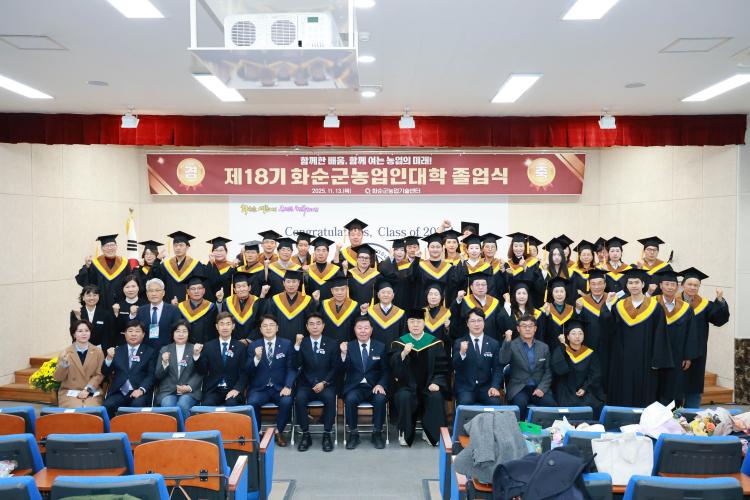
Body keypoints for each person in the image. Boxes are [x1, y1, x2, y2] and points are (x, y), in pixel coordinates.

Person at [601, 268, 673, 407]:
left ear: (643, 284)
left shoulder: (655, 307)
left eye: (637, 282)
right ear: (626, 285)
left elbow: (660, 335)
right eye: (630, 282)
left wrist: (657, 360)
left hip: (645, 359)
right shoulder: (619, 306)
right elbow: (609, 330)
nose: (634, 285)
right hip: (622, 359)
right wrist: (608, 306)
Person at [390, 309, 449, 447]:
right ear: (407, 324)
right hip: (406, 386)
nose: (415, 325)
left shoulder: (435, 343)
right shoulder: (399, 343)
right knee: (403, 396)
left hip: (428, 385)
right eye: (412, 322)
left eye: (418, 322)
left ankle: (431, 434)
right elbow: (393, 369)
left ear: (424, 323)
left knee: (436, 396)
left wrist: (436, 382)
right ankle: (405, 432)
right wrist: (403, 354)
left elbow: (442, 367)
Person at [678, 267, 730, 408]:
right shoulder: (673, 303)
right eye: (689, 284)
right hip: (676, 351)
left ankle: (692, 415)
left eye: (696, 285)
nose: (692, 287)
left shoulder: (705, 305)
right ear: (682, 285)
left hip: (697, 353)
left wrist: (720, 300)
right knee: (675, 386)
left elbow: (719, 320)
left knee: (694, 386)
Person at [246, 315, 297, 447]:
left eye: (271, 325)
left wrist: (288, 386)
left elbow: (292, 368)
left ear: (277, 328)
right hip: (260, 388)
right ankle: (257, 433)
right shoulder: (253, 346)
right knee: (252, 402)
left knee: (287, 401)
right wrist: (256, 358)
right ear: (260, 329)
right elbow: (247, 370)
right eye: (265, 326)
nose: (268, 328)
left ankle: (279, 432)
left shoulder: (286, 344)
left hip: (280, 387)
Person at [293, 312, 339, 452]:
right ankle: (305, 434)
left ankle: (327, 434)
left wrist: (324, 383)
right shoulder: (302, 343)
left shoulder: (332, 343)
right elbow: (296, 365)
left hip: (326, 384)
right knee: (299, 398)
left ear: (323, 326)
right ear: (307, 327)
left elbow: (335, 368)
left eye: (318, 323)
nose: (315, 327)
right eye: (311, 324)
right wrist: (296, 346)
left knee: (330, 398)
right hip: (306, 385)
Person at [340, 316, 389, 450]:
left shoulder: (380, 346)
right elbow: (341, 370)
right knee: (350, 399)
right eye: (359, 328)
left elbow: (386, 371)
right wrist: (343, 355)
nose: (363, 331)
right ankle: (353, 434)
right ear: (354, 330)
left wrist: (381, 384)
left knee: (380, 399)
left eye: (366, 328)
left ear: (371, 329)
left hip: (374, 386)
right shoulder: (349, 346)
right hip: (355, 387)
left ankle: (377, 433)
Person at [654, 268, 699, 406]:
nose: (669, 287)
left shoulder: (685, 308)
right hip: (654, 355)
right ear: (661, 286)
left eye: (672, 284)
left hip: (677, 355)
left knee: (674, 387)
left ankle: (675, 415)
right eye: (666, 284)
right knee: (654, 387)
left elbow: (691, 334)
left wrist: (688, 356)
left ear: (677, 287)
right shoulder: (650, 304)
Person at [500, 314, 557, 420]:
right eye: (524, 326)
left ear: (535, 328)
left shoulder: (544, 347)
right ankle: (518, 429)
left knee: (551, 404)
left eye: (530, 326)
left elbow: (548, 371)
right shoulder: (512, 345)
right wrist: (507, 341)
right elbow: (503, 360)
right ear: (518, 329)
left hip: (538, 387)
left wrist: (541, 388)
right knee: (519, 404)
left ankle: (546, 429)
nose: (527, 329)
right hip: (519, 388)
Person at [102, 320, 158, 418]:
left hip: (139, 392)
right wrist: (109, 358)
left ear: (143, 334)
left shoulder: (150, 352)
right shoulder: (117, 350)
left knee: (137, 405)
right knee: (107, 405)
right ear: (125, 333)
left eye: (137, 331)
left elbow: (151, 375)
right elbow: (105, 372)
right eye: (130, 331)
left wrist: (141, 390)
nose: (133, 334)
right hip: (119, 392)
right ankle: (112, 428)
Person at [551, 319, 604, 417]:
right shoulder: (562, 350)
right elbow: (559, 370)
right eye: (573, 333)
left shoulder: (590, 353)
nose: (577, 336)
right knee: (566, 406)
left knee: (595, 406)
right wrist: (563, 345)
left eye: (580, 333)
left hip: (585, 390)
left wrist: (585, 388)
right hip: (566, 391)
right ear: (567, 337)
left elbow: (595, 374)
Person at [194, 312, 248, 406]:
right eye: (222, 324)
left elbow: (244, 372)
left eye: (228, 324)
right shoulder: (208, 346)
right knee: (207, 404)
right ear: (217, 326)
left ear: (233, 326)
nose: (225, 327)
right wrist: (196, 356)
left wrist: (237, 389)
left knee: (231, 404)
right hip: (213, 389)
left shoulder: (240, 347)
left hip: (233, 389)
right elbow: (202, 370)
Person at [452, 308, 503, 406]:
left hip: (486, 388)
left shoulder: (494, 343)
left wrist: (494, 386)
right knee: (465, 404)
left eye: (479, 320)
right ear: (467, 324)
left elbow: (497, 368)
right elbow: (455, 367)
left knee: (495, 403)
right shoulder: (459, 342)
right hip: (466, 388)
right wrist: (462, 353)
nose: (476, 324)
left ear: (484, 322)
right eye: (472, 321)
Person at [154, 320, 203, 417]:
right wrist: (165, 363)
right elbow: (158, 375)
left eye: (184, 331)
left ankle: (184, 427)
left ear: (189, 334)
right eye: (177, 331)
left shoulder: (195, 349)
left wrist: (189, 387)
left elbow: (200, 372)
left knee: (183, 404)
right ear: (173, 334)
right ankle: (173, 428)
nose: (181, 334)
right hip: (168, 391)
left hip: (190, 392)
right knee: (168, 405)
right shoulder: (165, 350)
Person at [53, 320, 105, 408]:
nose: (84, 334)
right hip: (70, 392)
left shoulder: (98, 352)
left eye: (87, 330)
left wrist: (87, 389)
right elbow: (58, 378)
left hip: (91, 390)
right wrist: (64, 364)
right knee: (75, 410)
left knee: (92, 410)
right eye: (80, 331)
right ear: (74, 334)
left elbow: (99, 374)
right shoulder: (66, 353)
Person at [573, 269, 609, 391]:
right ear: (589, 285)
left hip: (608, 345)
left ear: (605, 284)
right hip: (589, 344)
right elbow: (576, 324)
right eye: (593, 284)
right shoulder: (582, 302)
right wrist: (578, 310)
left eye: (600, 283)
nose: (597, 287)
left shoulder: (612, 300)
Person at [76, 234, 131, 309]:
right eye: (106, 246)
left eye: (112, 245)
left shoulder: (124, 263)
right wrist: (87, 267)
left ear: (116, 247)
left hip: (120, 303)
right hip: (101, 304)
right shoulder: (95, 263)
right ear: (102, 248)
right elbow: (86, 282)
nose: (110, 248)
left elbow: (130, 282)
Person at [265, 269, 318, 341]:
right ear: (283, 283)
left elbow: (311, 322)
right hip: (279, 340)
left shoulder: (307, 300)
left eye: (294, 282)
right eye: (288, 282)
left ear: (299, 283)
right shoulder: (275, 300)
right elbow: (270, 321)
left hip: (301, 340)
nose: (291, 285)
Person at [451, 272, 502, 341]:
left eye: (483, 284)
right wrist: (458, 300)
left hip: (491, 342)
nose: (481, 287)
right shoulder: (464, 301)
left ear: (487, 287)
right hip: (469, 342)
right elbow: (455, 317)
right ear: (471, 287)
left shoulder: (495, 302)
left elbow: (499, 325)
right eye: (477, 284)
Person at [410, 232, 456, 308]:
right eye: (432, 247)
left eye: (438, 247)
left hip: (443, 309)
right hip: (423, 306)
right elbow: (412, 279)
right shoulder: (420, 266)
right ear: (428, 248)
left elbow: (452, 289)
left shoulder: (449, 268)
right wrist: (416, 260)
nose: (435, 249)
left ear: (442, 248)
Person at [134, 278, 181, 350]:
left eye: (157, 290)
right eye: (151, 291)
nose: (154, 294)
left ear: (163, 293)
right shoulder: (141, 310)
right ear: (147, 294)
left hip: (167, 351)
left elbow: (177, 332)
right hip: (145, 351)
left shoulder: (173, 310)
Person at [160, 231, 205, 304]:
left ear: (187, 247)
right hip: (169, 303)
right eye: (175, 245)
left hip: (189, 305)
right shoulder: (165, 266)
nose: (178, 248)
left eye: (181, 245)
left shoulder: (196, 265)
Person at [224, 272, 269, 342]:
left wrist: (248, 340)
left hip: (253, 342)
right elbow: (226, 323)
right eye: (238, 287)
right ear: (235, 290)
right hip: (234, 342)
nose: (241, 289)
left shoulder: (257, 301)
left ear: (249, 288)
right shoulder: (227, 302)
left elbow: (260, 323)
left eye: (244, 286)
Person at [177, 268, 218, 344]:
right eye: (193, 289)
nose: (196, 291)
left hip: (206, 346)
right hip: (186, 347)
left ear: (204, 290)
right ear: (188, 291)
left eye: (199, 288)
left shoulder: (211, 307)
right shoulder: (180, 308)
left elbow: (215, 330)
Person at [504, 232, 545, 308]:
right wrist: (507, 275)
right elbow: (505, 288)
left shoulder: (533, 263)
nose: (518, 249)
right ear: (512, 247)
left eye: (521, 246)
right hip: (514, 304)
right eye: (515, 246)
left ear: (525, 247)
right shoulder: (507, 264)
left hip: (531, 303)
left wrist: (526, 268)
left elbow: (540, 286)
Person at [71, 284, 117, 350]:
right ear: (83, 297)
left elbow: (108, 334)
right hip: (81, 348)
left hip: (101, 349)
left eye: (95, 295)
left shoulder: (106, 314)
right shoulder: (76, 313)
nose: (92, 298)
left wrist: (103, 349)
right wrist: (78, 317)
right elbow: (74, 332)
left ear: (98, 297)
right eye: (89, 295)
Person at [319, 274, 361, 343]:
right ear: (332, 291)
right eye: (336, 290)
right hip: (327, 344)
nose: (340, 293)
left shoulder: (355, 306)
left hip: (347, 344)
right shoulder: (324, 305)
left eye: (342, 289)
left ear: (347, 290)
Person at [366, 278, 406, 347]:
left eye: (389, 293)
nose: (386, 295)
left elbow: (403, 334)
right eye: (383, 292)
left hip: (394, 350)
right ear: (378, 295)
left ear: (393, 295)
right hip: (374, 349)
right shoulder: (370, 311)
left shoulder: (400, 313)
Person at [304, 236, 341, 302]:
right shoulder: (307, 270)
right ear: (314, 252)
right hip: (312, 306)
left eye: (324, 250)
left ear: (328, 253)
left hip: (330, 306)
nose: (321, 253)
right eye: (318, 250)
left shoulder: (335, 270)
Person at [542, 277, 575, 348]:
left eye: (562, 291)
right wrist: (547, 314)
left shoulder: (571, 309)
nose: (559, 294)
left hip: (568, 346)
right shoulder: (544, 309)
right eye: (556, 291)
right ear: (552, 293)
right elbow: (542, 331)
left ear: (566, 293)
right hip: (550, 346)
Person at [112, 275, 147, 343]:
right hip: (122, 343)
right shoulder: (117, 306)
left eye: (133, 286)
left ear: (138, 287)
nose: (130, 290)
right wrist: (115, 314)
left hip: (143, 343)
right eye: (127, 287)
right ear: (123, 289)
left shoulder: (145, 305)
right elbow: (114, 329)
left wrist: (133, 315)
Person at [205, 236, 236, 301]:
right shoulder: (208, 267)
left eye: (221, 250)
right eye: (215, 250)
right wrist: (211, 263)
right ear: (212, 252)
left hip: (228, 301)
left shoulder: (232, 266)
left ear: (226, 252)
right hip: (211, 302)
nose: (218, 253)